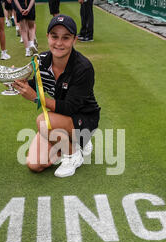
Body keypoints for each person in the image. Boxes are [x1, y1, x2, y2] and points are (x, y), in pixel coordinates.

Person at [12, 15, 100, 178]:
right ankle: (75, 144)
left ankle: (74, 154)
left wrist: (36, 99)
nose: (59, 43)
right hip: (59, 119)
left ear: (74, 39)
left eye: (65, 38)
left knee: (43, 121)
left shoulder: (83, 68)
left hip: (84, 118)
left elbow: (70, 108)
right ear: (47, 37)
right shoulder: (42, 61)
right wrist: (15, 81)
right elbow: (36, 85)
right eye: (54, 36)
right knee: (35, 164)